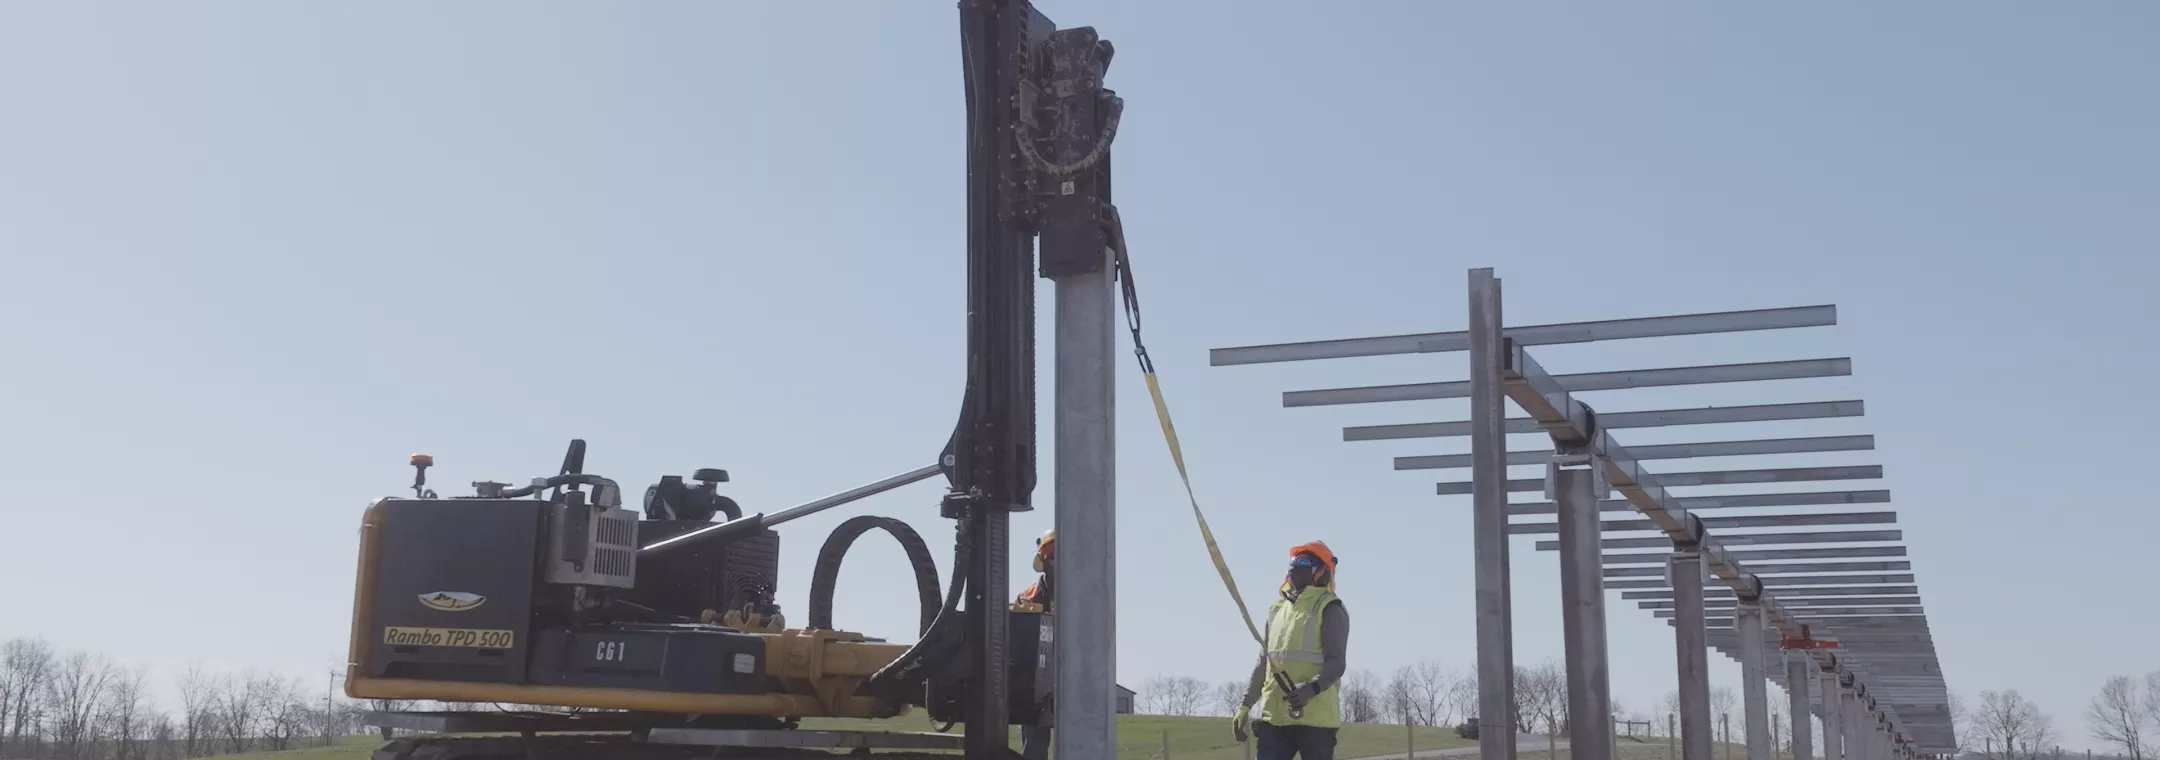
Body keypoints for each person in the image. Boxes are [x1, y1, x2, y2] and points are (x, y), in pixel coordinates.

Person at [1232, 541, 1349, 760]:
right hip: (1274, 720)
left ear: (1321, 572)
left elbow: (1336, 663)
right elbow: (1264, 662)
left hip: (1316, 722)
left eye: (1304, 561)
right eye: (1293, 561)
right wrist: (1245, 705)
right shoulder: (1276, 610)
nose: (1295, 566)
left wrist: (1310, 689)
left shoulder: (1330, 608)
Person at [1015, 529, 1056, 760]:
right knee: (1034, 751)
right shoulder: (1028, 597)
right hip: (1033, 683)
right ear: (1045, 560)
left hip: (1073, 680)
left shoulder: (1086, 595)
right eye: (1054, 556)